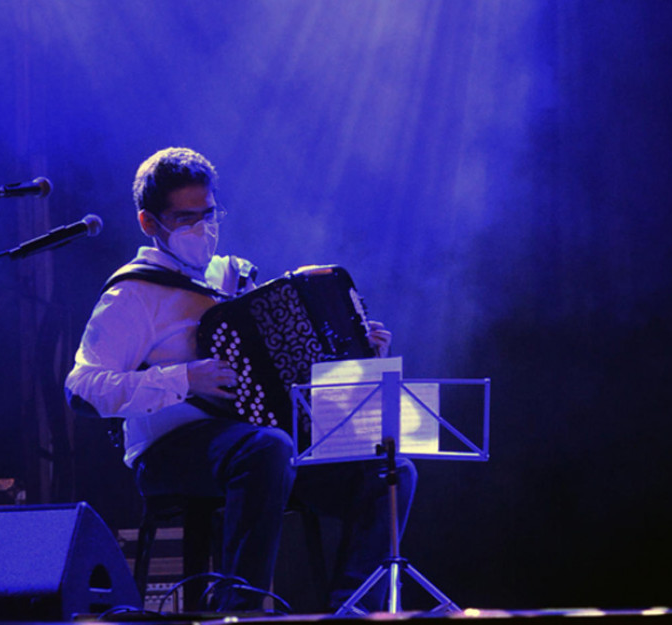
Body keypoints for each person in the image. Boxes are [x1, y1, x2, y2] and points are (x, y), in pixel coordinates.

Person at [65, 147, 416, 613]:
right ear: (149, 223)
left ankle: (353, 609)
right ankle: (241, 609)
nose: (202, 229)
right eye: (186, 218)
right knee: (268, 447)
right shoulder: (132, 295)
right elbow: (82, 388)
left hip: (261, 444)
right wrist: (184, 379)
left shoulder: (232, 275)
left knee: (390, 473)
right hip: (170, 447)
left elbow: (286, 370)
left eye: (209, 215)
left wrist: (359, 353)